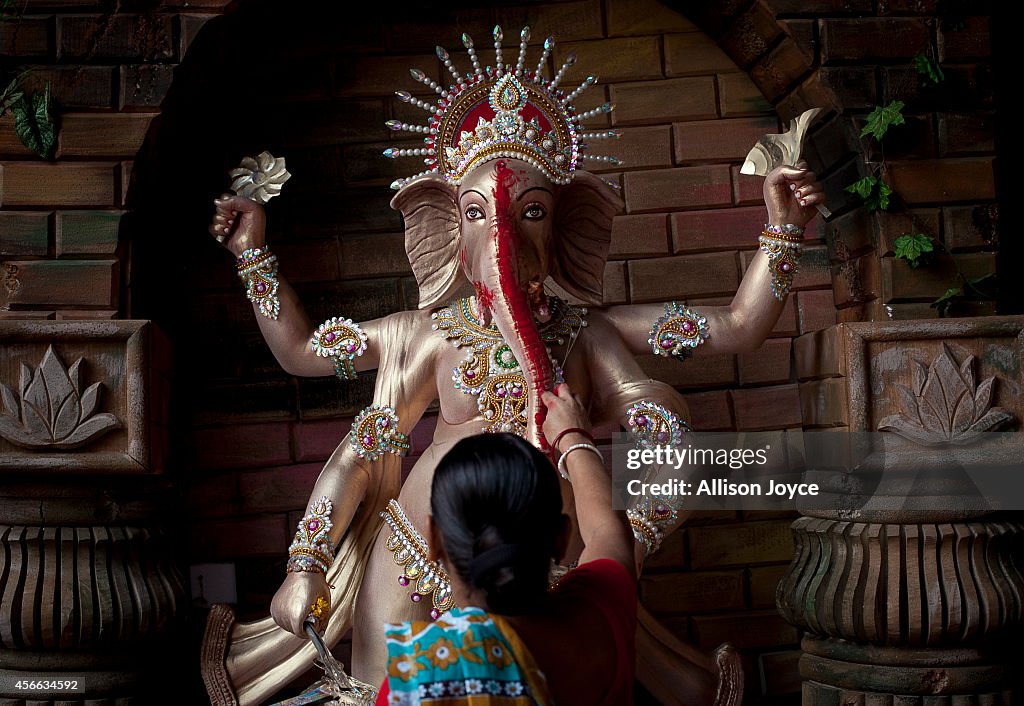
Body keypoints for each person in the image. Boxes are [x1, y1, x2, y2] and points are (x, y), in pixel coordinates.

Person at [374, 382, 637, 706]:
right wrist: (573, 434)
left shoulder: (423, 680)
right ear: (561, 537)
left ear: (435, 540)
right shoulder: (600, 613)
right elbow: (607, 533)